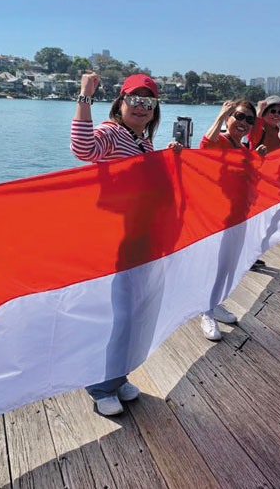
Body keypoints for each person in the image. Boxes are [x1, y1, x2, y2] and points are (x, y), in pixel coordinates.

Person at [70, 72, 183, 416]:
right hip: (113, 241)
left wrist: (169, 160)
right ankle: (99, 384)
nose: (141, 107)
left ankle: (117, 377)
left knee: (133, 314)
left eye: (148, 102)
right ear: (120, 104)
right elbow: (83, 148)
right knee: (113, 314)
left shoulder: (144, 143)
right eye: (134, 99)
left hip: (138, 242)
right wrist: (85, 96)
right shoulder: (111, 132)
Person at [196, 99, 256, 340]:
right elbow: (204, 147)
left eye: (249, 120)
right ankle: (205, 312)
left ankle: (215, 303)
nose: (243, 123)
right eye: (239, 116)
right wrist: (220, 116)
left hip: (237, 216)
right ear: (229, 117)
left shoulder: (244, 150)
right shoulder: (219, 140)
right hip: (215, 216)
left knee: (227, 265)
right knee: (213, 265)